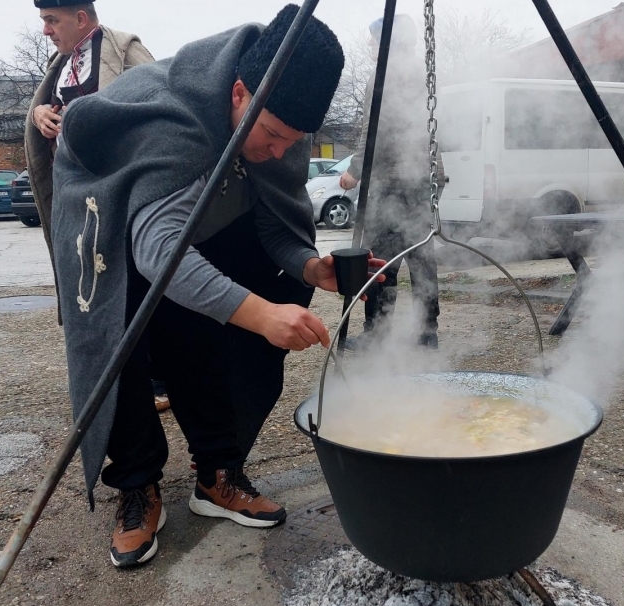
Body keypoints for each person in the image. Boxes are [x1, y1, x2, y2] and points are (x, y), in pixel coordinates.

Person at [52, 5, 369, 569]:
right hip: (116, 221)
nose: (279, 150)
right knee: (119, 342)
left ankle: (216, 474)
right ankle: (136, 486)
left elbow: (274, 218)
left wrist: (307, 269)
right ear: (240, 93)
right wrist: (264, 315)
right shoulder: (176, 119)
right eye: (271, 135)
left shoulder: (278, 122)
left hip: (197, 223)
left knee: (206, 331)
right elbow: (157, 250)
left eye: (289, 142)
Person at [22, 1, 171, 410]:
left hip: (123, 201)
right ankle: (118, 391)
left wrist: (94, 117)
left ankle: (158, 381)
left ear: (81, 18)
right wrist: (39, 114)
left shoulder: (124, 50)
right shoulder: (61, 64)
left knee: (137, 293)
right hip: (79, 206)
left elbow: (161, 108)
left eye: (52, 20)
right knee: (96, 299)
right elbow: (53, 117)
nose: (46, 30)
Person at [340, 15, 443, 349]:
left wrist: (355, 171)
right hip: (423, 177)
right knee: (422, 255)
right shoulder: (418, 69)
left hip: (395, 178)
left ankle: (378, 334)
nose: (370, 44)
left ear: (388, 41)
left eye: (373, 39)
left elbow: (376, 130)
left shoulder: (384, 73)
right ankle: (427, 332)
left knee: (381, 258)